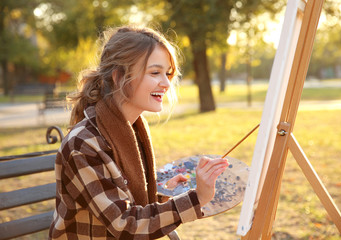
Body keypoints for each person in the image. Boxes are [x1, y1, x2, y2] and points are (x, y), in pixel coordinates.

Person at [49, 26, 229, 239]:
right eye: (155, 72)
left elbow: (123, 198)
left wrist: (162, 191)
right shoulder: (83, 145)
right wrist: (196, 198)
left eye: (167, 73)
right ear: (118, 76)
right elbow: (125, 225)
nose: (166, 83)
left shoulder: (132, 128)